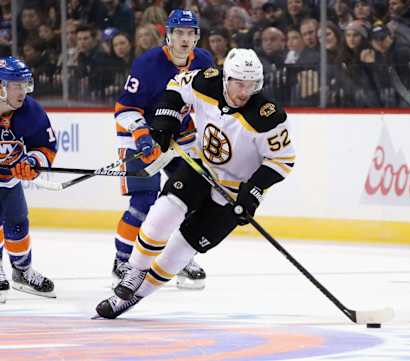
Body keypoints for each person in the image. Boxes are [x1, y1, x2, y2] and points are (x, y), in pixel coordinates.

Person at [95, 48, 296, 319]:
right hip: (200, 167)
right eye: (239, 83)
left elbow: (282, 161)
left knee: (182, 248)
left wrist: (254, 191)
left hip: (233, 192)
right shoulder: (206, 81)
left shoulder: (269, 116)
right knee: (161, 215)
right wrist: (166, 119)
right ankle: (133, 272)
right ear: (226, 78)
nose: (244, 91)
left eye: (252, 85)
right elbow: (176, 87)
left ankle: (133, 298)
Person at [111, 9, 214, 290]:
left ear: (197, 36)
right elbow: (125, 109)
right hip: (140, 134)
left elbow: (209, 105)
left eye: (190, 33)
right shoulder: (148, 64)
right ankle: (122, 261)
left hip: (179, 134)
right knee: (143, 202)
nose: (184, 39)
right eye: (178, 33)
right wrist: (143, 135)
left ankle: (178, 260)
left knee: (188, 197)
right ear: (168, 35)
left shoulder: (205, 62)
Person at [0, 56, 56, 303]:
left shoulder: (31, 111)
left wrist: (32, 164)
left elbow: (46, 146)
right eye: (16, 85)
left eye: (25, 84)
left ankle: (22, 271)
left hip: (9, 182)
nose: (23, 91)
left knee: (18, 223)